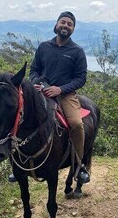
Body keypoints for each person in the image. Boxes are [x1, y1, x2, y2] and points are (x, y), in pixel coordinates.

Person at [8, 11, 90, 184]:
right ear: (56, 24)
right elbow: (34, 70)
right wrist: (38, 83)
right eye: (63, 22)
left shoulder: (77, 51)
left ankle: (79, 165)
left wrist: (60, 89)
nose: (66, 26)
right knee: (18, 117)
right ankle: (17, 166)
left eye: (70, 24)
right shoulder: (44, 47)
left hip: (65, 95)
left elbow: (81, 78)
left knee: (76, 124)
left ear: (73, 29)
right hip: (40, 92)